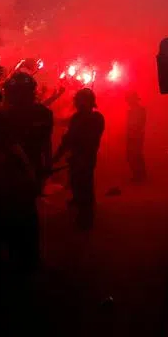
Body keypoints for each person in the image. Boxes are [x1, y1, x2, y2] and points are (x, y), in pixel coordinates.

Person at [54, 87, 104, 230]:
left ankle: (86, 218)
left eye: (80, 101)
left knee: (85, 186)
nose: (77, 104)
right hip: (76, 157)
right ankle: (82, 210)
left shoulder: (96, 118)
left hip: (86, 157)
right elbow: (68, 139)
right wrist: (58, 155)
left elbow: (86, 138)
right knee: (77, 184)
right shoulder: (77, 117)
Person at [2, 72, 54, 194]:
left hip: (11, 169)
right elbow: (47, 143)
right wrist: (47, 165)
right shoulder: (44, 113)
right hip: (34, 166)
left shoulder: (5, 116)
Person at [125, 91, 147, 183]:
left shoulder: (140, 111)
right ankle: (139, 175)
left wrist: (134, 132)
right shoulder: (133, 111)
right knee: (133, 156)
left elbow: (140, 124)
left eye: (130, 100)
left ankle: (139, 176)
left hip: (136, 135)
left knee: (136, 155)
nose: (128, 102)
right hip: (133, 135)